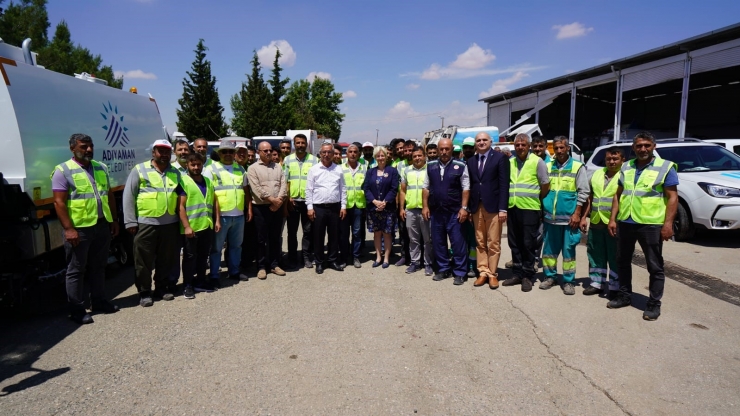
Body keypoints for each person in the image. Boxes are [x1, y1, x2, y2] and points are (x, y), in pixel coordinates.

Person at [607, 132, 678, 321]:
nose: (643, 149)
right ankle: (624, 296)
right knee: (622, 261)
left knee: (654, 266)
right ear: (633, 148)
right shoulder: (627, 167)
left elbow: (672, 197)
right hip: (626, 222)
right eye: (639, 146)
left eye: (647, 145)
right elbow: (618, 194)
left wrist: (668, 224)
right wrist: (613, 219)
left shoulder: (665, 167)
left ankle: (654, 304)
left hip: (651, 224)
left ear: (654, 146)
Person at [52, 133, 120, 324]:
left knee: (99, 266)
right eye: (83, 146)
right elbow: (59, 203)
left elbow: (109, 195)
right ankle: (76, 309)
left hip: (101, 224)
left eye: (90, 146)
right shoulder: (63, 170)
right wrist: (68, 229)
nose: (89, 150)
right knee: (76, 269)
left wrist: (114, 220)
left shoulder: (100, 167)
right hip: (79, 228)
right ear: (73, 148)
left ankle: (98, 302)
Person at [123, 139, 182, 307]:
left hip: (169, 223)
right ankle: (144, 292)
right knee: (143, 261)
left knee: (166, 259)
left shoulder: (175, 173)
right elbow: (129, 196)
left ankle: (161, 288)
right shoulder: (140, 170)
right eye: (160, 151)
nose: (164, 154)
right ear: (153, 152)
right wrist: (130, 222)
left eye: (167, 151)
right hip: (146, 224)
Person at [539, 137, 589, 295]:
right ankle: (550, 277)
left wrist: (577, 214)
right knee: (548, 251)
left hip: (569, 220)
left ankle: (568, 281)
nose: (559, 151)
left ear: (568, 148)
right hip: (549, 219)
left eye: (562, 147)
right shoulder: (547, 166)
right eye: (556, 148)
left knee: (568, 252)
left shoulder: (577, 166)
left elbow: (584, 192)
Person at [501, 134, 550, 292]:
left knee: (528, 244)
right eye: (517, 145)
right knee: (514, 242)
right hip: (513, 208)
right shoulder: (510, 162)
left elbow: (545, 185)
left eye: (523, 144)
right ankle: (516, 273)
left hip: (530, 208)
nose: (520, 147)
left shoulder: (537, 162)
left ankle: (527, 276)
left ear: (529, 146)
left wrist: (536, 197)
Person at [422, 138, 470, 285]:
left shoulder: (460, 165)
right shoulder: (430, 166)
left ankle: (460, 272)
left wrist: (464, 208)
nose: (443, 152)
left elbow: (466, 188)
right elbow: (425, 188)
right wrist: (425, 206)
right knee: (438, 242)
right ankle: (443, 269)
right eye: (441, 149)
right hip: (436, 211)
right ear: (437, 150)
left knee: (457, 243)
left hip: (454, 212)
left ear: (451, 149)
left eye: (447, 149)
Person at [205, 140, 252, 286]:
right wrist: (216, 217)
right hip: (222, 216)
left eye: (231, 152)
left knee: (236, 246)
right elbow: (209, 194)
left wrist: (248, 208)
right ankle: (214, 275)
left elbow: (245, 191)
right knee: (216, 248)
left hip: (238, 215)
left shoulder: (240, 169)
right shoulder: (211, 169)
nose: (228, 154)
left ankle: (234, 271)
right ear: (219, 153)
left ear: (235, 154)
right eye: (224, 151)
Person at [466, 132, 509, 289]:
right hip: (477, 207)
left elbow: (504, 185)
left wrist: (503, 208)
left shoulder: (500, 158)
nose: (481, 142)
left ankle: (492, 274)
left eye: (484, 140)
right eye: (478, 140)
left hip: (494, 207)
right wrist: (470, 209)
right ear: (475, 144)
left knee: (494, 242)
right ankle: (482, 271)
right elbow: (470, 185)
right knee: (480, 242)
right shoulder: (471, 161)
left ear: (491, 141)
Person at [580, 147, 624, 297]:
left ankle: (614, 286)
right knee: (595, 253)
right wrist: (584, 217)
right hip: (596, 221)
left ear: (622, 160)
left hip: (614, 223)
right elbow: (590, 198)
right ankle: (596, 283)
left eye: (615, 159)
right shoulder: (598, 174)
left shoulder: (624, 176)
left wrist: (614, 220)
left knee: (614, 255)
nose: (611, 162)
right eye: (608, 159)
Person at [176, 153, 220, 299]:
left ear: (202, 165)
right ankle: (187, 285)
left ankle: (200, 281)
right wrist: (187, 226)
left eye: (198, 164)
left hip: (206, 225)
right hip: (192, 227)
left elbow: (214, 202)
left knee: (203, 256)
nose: (196, 167)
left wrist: (217, 220)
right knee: (189, 257)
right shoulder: (184, 181)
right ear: (187, 165)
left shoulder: (207, 181)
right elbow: (180, 207)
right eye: (192, 165)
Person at [248, 141, 288, 279]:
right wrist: (273, 200)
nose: (268, 153)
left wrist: (279, 201)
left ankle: (274, 264)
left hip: (276, 207)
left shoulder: (277, 167)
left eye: (270, 150)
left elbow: (283, 184)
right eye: (265, 151)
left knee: (275, 238)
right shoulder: (253, 168)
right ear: (259, 152)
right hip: (261, 208)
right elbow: (256, 189)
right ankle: (261, 267)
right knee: (260, 239)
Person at [306, 142, 347, 274]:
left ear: (333, 153)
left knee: (334, 236)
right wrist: (310, 207)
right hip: (319, 208)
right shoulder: (314, 169)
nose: (326, 154)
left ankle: (332, 260)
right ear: (320, 153)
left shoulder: (338, 169)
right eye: (324, 152)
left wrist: (343, 206)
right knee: (318, 236)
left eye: (329, 152)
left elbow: (343, 189)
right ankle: (319, 262)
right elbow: (309, 190)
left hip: (335, 207)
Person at [283, 134, 318, 268]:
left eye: (303, 143)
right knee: (291, 232)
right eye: (298, 143)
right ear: (294, 144)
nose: (300, 145)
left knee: (308, 231)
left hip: (308, 202)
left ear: (307, 144)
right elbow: (285, 180)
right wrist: (287, 198)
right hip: (292, 202)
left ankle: (306, 257)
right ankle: (292, 258)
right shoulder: (288, 160)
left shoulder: (314, 161)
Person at [363, 145, 400, 268]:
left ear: (386, 156)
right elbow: (366, 188)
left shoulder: (392, 171)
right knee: (377, 233)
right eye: (378, 156)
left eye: (382, 155)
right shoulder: (370, 172)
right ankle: (378, 257)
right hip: (373, 208)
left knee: (387, 233)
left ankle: (386, 258)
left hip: (388, 208)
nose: (380, 158)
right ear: (375, 157)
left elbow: (394, 188)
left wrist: (385, 202)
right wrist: (374, 201)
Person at [399, 146, 432, 275]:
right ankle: (415, 262)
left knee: (428, 239)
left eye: (419, 156)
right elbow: (402, 191)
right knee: (413, 239)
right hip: (411, 209)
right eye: (414, 156)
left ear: (424, 156)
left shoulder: (430, 170)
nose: (417, 158)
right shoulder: (406, 171)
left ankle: (428, 263)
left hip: (426, 210)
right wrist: (401, 208)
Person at [340, 144, 366, 268]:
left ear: (359, 154)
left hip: (359, 205)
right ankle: (344, 258)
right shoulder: (340, 168)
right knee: (344, 234)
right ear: (347, 153)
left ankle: (356, 256)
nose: (353, 154)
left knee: (357, 233)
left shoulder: (364, 168)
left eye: (355, 152)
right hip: (345, 206)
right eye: (350, 151)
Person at [461, 136, 478, 278]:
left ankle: (473, 265)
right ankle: (461, 263)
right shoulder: (459, 164)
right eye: (465, 147)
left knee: (473, 240)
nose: (467, 150)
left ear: (475, 148)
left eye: (470, 147)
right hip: (460, 208)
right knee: (461, 238)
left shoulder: (478, 163)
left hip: (474, 208)